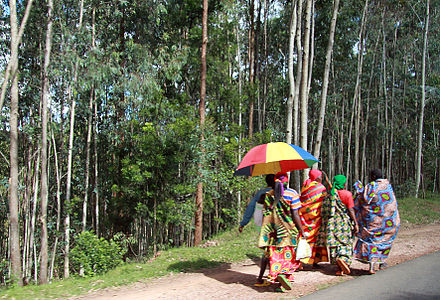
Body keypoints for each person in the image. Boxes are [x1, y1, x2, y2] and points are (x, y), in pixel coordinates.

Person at [257, 173, 305, 292]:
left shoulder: (269, 195)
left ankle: (277, 273)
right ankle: (283, 277)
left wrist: (265, 232)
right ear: (287, 182)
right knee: (288, 255)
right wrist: (301, 230)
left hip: (274, 231)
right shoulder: (292, 193)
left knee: (275, 254)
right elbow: (295, 214)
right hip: (289, 231)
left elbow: (266, 214)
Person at [353, 168, 400, 274]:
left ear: (373, 177)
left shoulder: (371, 186)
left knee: (372, 242)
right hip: (389, 222)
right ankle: (382, 262)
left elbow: (364, 199)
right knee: (385, 240)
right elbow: (391, 203)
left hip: (374, 222)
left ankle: (371, 267)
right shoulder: (388, 186)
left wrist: (359, 190)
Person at [319, 175, 359, 275]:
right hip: (343, 223)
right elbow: (350, 209)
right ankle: (343, 260)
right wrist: (355, 223)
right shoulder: (347, 194)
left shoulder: (329, 194)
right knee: (345, 243)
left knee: (334, 244)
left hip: (331, 223)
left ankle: (338, 267)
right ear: (343, 184)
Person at [299, 169, 328, 266]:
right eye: (320, 176)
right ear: (317, 177)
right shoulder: (321, 188)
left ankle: (304, 261)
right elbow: (324, 200)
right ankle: (311, 260)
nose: (321, 178)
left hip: (305, 217)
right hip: (316, 217)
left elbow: (303, 200)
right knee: (315, 239)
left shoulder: (305, 186)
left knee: (305, 238)